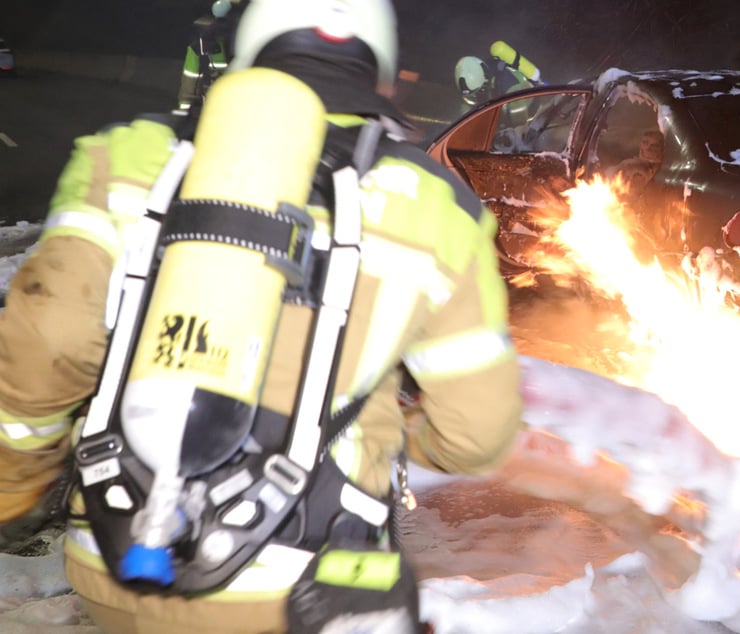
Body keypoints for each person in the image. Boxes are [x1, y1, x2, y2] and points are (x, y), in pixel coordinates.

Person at [0, 0, 523, 631]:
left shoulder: (127, 154)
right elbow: (478, 432)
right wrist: (401, 443)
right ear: (380, 68)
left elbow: (47, 339)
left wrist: (15, 481)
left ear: (249, 46)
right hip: (303, 580)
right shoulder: (437, 206)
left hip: (115, 551)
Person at [176, 0, 237, 111]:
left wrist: (184, 107)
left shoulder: (200, 39)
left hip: (214, 98)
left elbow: (190, 77)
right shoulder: (238, 33)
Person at [454, 40, 542, 109]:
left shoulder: (505, 81)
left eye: (479, 92)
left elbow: (520, 112)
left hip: (534, 109)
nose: (476, 97)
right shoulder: (484, 75)